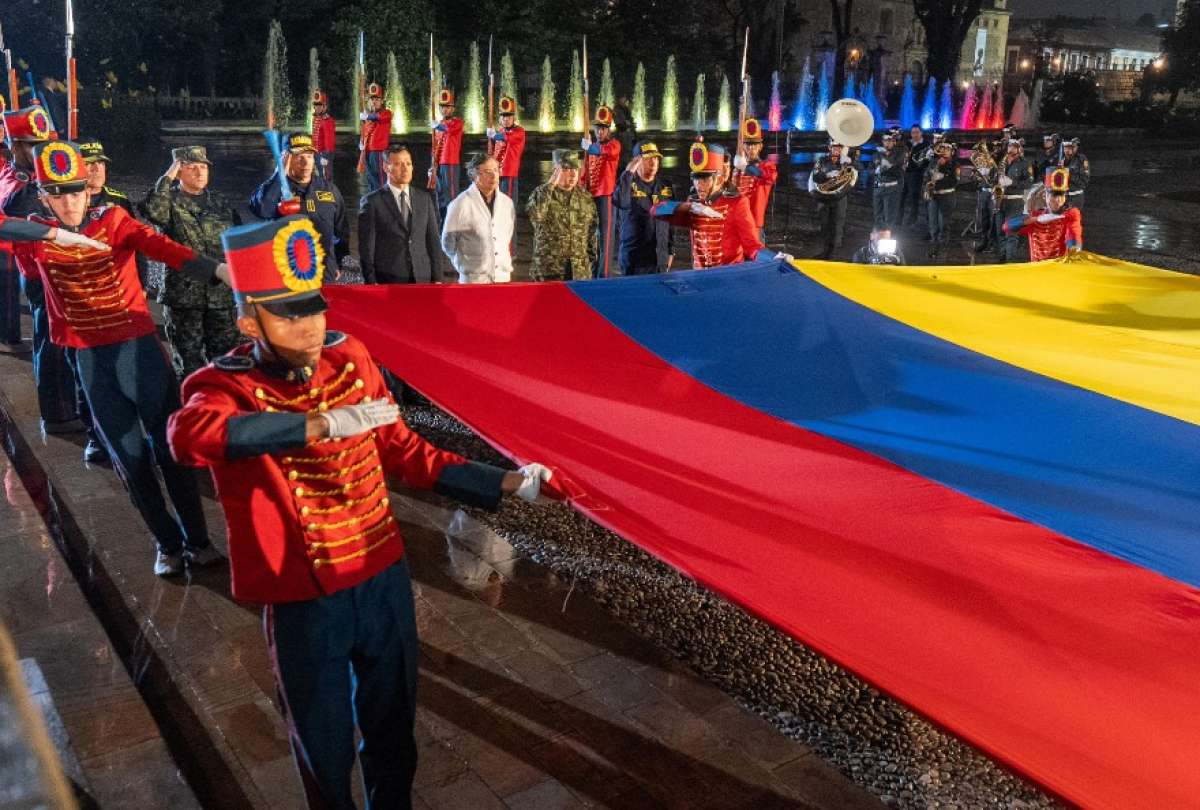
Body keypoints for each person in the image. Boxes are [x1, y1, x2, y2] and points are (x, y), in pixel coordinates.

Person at [167, 213, 555, 809]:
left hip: (380, 573)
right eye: (289, 316)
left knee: (394, 727)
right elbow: (188, 437)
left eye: (314, 311)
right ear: (250, 323)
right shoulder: (223, 386)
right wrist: (316, 424)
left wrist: (506, 482)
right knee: (323, 746)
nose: (310, 326)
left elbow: (404, 451)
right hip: (305, 594)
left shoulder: (349, 357)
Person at [8, 140, 226, 575]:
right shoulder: (34, 235)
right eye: (57, 194)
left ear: (87, 191)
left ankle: (198, 540)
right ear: (44, 197)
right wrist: (53, 234)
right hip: (91, 360)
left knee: (170, 447)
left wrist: (220, 271)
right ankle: (167, 543)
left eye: (75, 191)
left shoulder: (114, 220)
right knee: (129, 458)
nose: (69, 202)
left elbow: (163, 248)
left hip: (138, 351)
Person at [1, 104, 81, 432]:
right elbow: (15, 208)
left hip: (55, 266)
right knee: (50, 341)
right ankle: (58, 414)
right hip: (38, 270)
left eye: (44, 144)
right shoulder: (17, 181)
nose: (42, 151)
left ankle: (67, 406)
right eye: (34, 145)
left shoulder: (31, 176)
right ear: (15, 145)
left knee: (60, 339)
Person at [141, 145, 244, 380]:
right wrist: (169, 175)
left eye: (203, 167)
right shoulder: (168, 201)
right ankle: (191, 401)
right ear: (179, 171)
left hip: (221, 297)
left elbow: (237, 241)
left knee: (227, 360)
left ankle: (224, 400)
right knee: (189, 363)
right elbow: (152, 211)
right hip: (185, 299)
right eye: (192, 167)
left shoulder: (220, 202)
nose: (199, 172)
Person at [652, 142, 785, 268]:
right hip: (700, 277)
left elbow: (752, 247)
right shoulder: (694, 203)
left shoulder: (736, 203)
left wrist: (774, 258)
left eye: (705, 179)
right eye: (696, 179)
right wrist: (690, 207)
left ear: (719, 179)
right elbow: (656, 211)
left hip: (728, 277)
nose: (699, 185)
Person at [250, 132, 350, 282]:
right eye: (299, 157)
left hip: (324, 273)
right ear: (285, 159)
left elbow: (341, 230)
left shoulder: (328, 189)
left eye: (309, 156)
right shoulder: (274, 190)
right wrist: (279, 175)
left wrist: (338, 261)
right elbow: (262, 209)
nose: (306, 162)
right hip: (287, 276)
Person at [358, 144, 443, 284]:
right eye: (398, 164)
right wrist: (371, 281)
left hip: (422, 278)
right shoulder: (372, 202)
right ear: (386, 167)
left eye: (408, 164)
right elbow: (366, 248)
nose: (405, 169)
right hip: (388, 279)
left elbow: (433, 241)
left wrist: (437, 278)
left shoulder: (424, 199)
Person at [441, 154, 514, 284]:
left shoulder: (507, 203)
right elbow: (448, 243)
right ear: (474, 175)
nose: (494, 175)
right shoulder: (460, 204)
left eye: (496, 170)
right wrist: (464, 264)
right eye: (487, 171)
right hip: (473, 280)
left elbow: (507, 235)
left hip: (502, 278)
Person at [526, 149, 597, 281]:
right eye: (566, 169)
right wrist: (550, 185)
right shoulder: (541, 193)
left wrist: (589, 263)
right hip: (549, 271)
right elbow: (536, 216)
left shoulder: (585, 197)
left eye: (575, 169)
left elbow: (592, 233)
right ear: (555, 170)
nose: (573, 174)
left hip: (579, 272)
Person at [613, 141, 674, 275]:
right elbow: (621, 202)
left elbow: (670, 221)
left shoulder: (665, 187)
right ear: (637, 162)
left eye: (656, 158)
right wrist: (628, 172)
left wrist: (670, 251)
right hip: (635, 261)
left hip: (659, 259)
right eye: (648, 158)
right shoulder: (628, 185)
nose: (653, 162)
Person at [1003, 168, 1083, 262]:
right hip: (1037, 269)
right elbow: (1007, 227)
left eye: (1062, 195)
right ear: (1045, 195)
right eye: (1054, 195)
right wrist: (1036, 219)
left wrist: (1074, 248)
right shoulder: (1035, 216)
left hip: (1060, 268)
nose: (1058, 200)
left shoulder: (1070, 214)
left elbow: (1074, 234)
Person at [581, 105, 621, 278]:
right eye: (597, 128)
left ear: (609, 129)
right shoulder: (592, 146)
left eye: (603, 128)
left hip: (606, 195)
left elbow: (604, 152)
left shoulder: (614, 145)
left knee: (606, 236)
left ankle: (604, 273)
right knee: (592, 235)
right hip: (591, 195)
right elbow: (585, 171)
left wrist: (589, 147)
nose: (600, 132)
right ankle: (594, 269)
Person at [808, 140, 857, 260]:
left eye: (839, 148)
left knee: (837, 226)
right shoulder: (821, 160)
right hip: (824, 199)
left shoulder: (846, 162)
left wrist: (852, 162)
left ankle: (833, 254)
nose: (837, 150)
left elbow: (854, 175)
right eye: (835, 147)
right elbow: (815, 176)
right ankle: (825, 252)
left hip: (839, 199)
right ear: (830, 148)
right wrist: (827, 175)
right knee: (825, 225)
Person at [731, 118, 778, 240]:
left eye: (754, 145)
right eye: (747, 145)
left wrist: (745, 167)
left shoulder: (767, 166)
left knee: (756, 252)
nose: (751, 148)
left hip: (755, 223)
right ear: (743, 146)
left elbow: (770, 177)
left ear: (760, 146)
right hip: (738, 221)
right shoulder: (738, 169)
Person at [992, 138, 1035, 263]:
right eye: (1009, 146)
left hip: (1015, 201)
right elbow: (995, 179)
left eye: (1013, 146)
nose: (1010, 148)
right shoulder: (1002, 161)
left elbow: (1029, 183)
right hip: (1000, 200)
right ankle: (1002, 258)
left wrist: (1012, 183)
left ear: (1018, 149)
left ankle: (1010, 261)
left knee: (1011, 232)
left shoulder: (1025, 163)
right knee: (1000, 231)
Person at [428, 89, 464, 224]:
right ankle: (444, 221)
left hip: (451, 162)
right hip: (440, 163)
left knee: (452, 194)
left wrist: (438, 126)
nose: (445, 110)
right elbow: (435, 147)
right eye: (442, 107)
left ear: (453, 109)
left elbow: (449, 130)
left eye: (448, 107)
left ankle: (454, 222)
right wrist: (433, 164)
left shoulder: (457, 122)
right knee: (441, 194)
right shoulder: (439, 125)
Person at [486, 96, 525, 205]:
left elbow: (507, 137)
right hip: (497, 172)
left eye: (509, 117)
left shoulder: (519, 131)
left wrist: (494, 135)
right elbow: (496, 150)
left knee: (509, 201)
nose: (506, 120)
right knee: (498, 201)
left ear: (514, 118)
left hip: (509, 171)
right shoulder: (501, 131)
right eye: (503, 117)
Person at [924, 141, 959, 259]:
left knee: (943, 224)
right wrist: (926, 188)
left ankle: (942, 248)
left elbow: (955, 182)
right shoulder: (933, 162)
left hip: (947, 196)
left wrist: (941, 175)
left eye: (947, 149)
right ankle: (934, 246)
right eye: (942, 149)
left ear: (952, 152)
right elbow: (926, 176)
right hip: (934, 196)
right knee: (933, 223)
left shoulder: (955, 165)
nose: (944, 151)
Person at [358, 83, 392, 194]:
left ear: (382, 101)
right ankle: (374, 201)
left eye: (377, 99)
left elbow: (379, 117)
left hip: (379, 152)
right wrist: (361, 142)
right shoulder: (368, 116)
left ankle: (384, 201)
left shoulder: (386, 113)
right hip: (368, 152)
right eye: (372, 99)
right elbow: (365, 132)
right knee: (371, 180)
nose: (374, 102)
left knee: (381, 181)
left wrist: (367, 116)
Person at [870, 130, 903, 231]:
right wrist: (876, 170)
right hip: (878, 187)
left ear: (894, 142)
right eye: (885, 140)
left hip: (891, 188)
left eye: (890, 140)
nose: (887, 143)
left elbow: (899, 172)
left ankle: (887, 237)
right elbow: (870, 169)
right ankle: (877, 235)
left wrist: (887, 166)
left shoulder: (899, 155)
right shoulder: (876, 154)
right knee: (877, 215)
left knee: (889, 217)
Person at [899, 124, 931, 229]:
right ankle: (898, 219)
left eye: (917, 132)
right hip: (904, 173)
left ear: (921, 133)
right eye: (913, 132)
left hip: (916, 174)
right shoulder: (908, 143)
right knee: (901, 196)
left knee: (914, 198)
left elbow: (926, 161)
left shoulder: (926, 145)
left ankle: (912, 220)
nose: (915, 135)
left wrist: (918, 165)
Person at [311, 90, 337, 182]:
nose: (317, 107)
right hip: (316, 152)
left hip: (324, 153)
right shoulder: (315, 118)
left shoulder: (328, 120)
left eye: (319, 105)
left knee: (326, 178)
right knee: (319, 176)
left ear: (324, 106)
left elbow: (329, 140)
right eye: (316, 105)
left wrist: (326, 156)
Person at [1060, 137, 1089, 210]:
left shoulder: (1081, 159)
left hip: (1076, 197)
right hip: (1063, 197)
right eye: (1065, 147)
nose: (1067, 150)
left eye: (1069, 147)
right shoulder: (1061, 160)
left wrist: (1069, 174)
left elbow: (1084, 180)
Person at [612, 95, 636, 162]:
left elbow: (630, 119)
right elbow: (618, 122)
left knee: (628, 150)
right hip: (621, 133)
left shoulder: (626, 108)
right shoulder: (616, 109)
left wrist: (630, 124)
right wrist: (626, 123)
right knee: (622, 151)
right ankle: (622, 163)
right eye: (623, 99)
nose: (625, 101)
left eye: (625, 99)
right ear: (619, 99)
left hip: (628, 133)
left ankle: (627, 162)